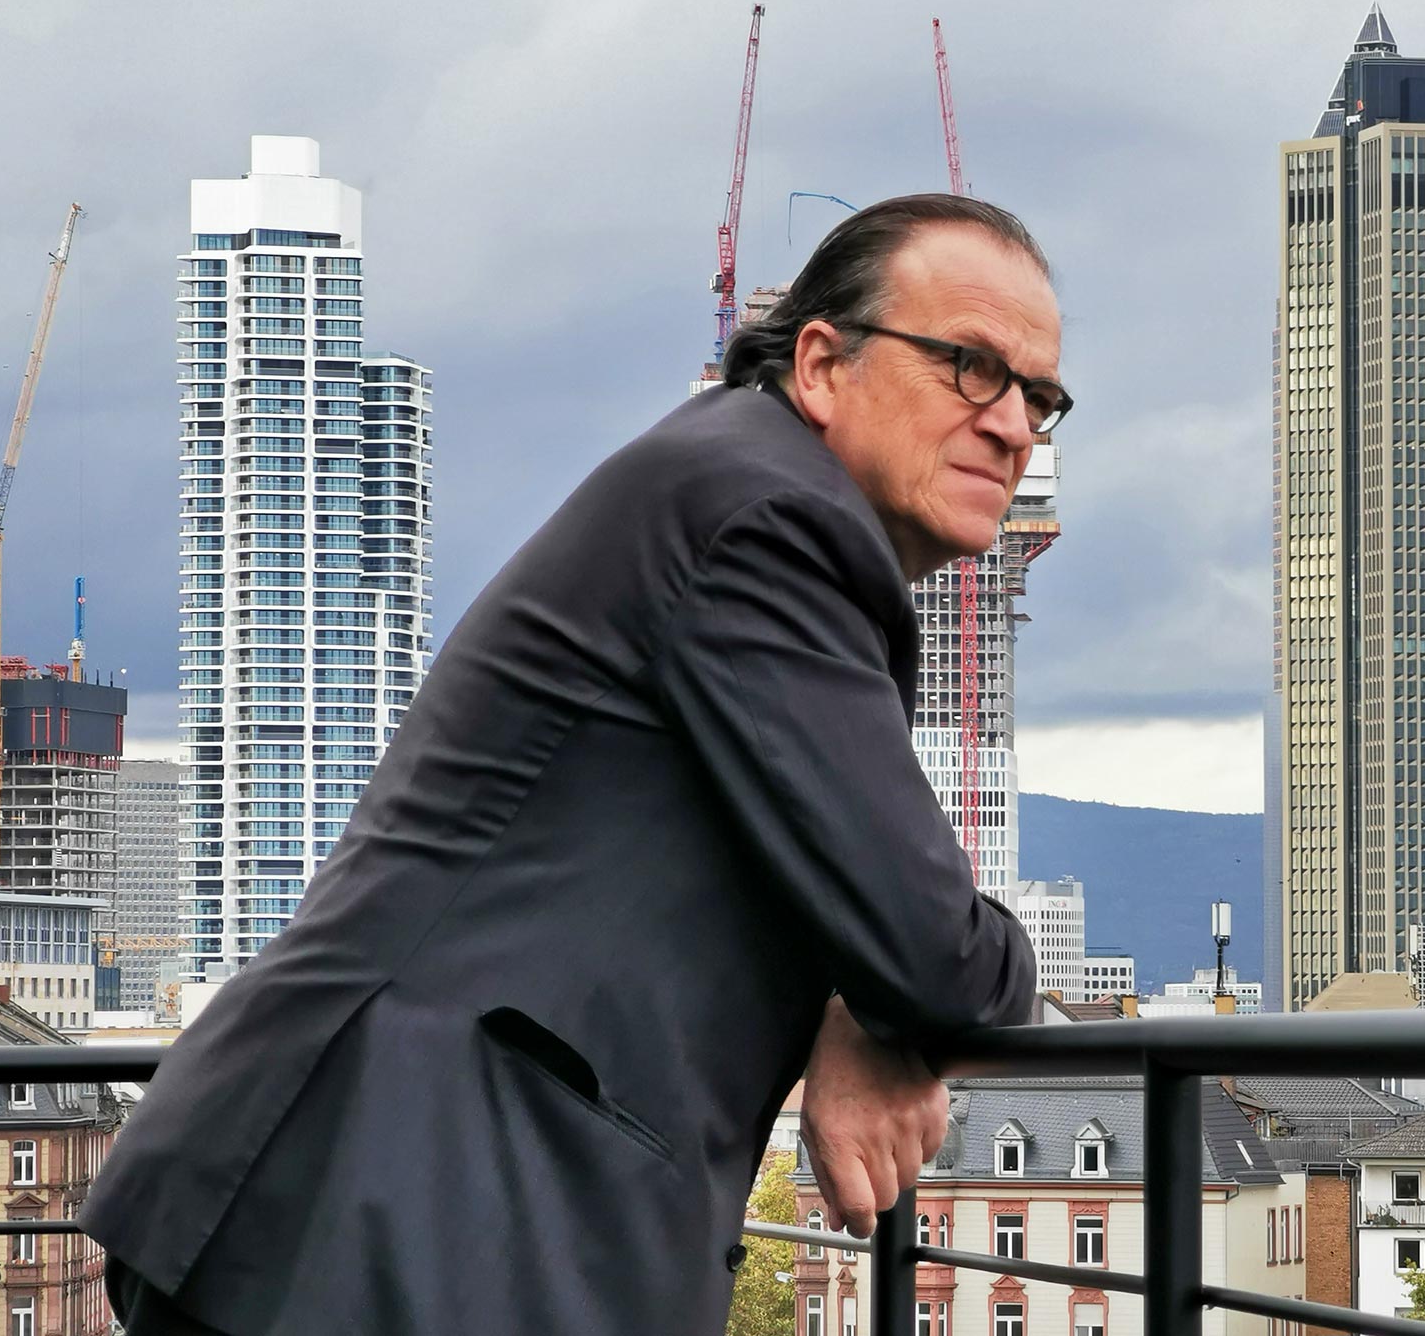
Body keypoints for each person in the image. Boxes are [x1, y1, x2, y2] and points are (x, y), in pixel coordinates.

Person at [81, 193, 1072, 1334]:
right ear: (820, 364)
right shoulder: (768, 520)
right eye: (970, 367)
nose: (1012, 425)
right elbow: (934, 952)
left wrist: (863, 999)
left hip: (383, 1203)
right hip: (395, 1212)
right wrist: (919, 987)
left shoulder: (730, 486)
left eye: (1039, 397)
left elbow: (837, 898)